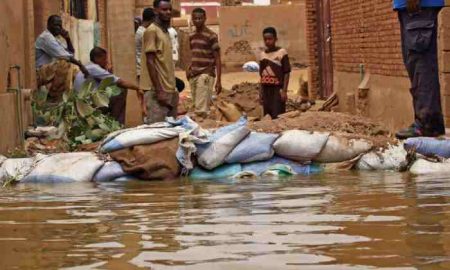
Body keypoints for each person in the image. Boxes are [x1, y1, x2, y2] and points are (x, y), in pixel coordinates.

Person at [394, 0, 446, 139]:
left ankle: (427, 125)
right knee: (416, 64)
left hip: (417, 7)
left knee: (421, 65)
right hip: (413, 8)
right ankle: (427, 123)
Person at [74, 47, 145, 124]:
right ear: (97, 58)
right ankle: (117, 124)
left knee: (110, 92)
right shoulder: (95, 68)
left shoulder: (87, 67)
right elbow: (120, 82)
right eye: (104, 59)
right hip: (90, 105)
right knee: (121, 90)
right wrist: (138, 87)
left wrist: (106, 70)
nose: (106, 61)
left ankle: (108, 122)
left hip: (81, 105)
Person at [140, 0, 179, 124]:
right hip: (157, 90)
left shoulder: (165, 31)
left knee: (170, 128)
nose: (168, 12)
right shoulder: (152, 31)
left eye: (169, 9)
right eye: (164, 9)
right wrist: (159, 90)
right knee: (156, 129)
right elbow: (150, 61)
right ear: (156, 10)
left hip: (169, 88)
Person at [35, 15, 89, 103]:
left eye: (60, 26)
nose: (58, 28)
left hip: (47, 72)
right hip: (38, 73)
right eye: (56, 25)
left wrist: (67, 39)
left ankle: (71, 99)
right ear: (48, 25)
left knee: (74, 70)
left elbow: (70, 53)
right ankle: (53, 98)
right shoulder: (46, 37)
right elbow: (65, 56)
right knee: (65, 63)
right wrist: (81, 65)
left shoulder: (54, 39)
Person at [187, 8, 222, 118]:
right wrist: (188, 68)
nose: (197, 21)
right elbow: (192, 53)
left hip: (206, 74)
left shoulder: (211, 35)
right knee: (196, 105)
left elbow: (217, 58)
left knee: (200, 110)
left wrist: (219, 81)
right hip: (193, 75)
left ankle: (202, 130)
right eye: (195, 18)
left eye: (200, 18)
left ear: (205, 19)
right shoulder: (191, 35)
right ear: (192, 19)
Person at [258, 27, 291, 119]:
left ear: (275, 39)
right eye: (265, 39)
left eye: (270, 39)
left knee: (278, 115)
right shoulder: (262, 55)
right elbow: (261, 75)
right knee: (267, 115)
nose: (267, 41)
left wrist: (284, 90)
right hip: (266, 89)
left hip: (277, 89)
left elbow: (287, 73)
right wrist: (260, 92)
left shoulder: (282, 53)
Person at [136, 8, 155, 80]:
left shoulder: (141, 31)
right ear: (153, 19)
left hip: (141, 68)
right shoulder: (145, 33)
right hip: (142, 69)